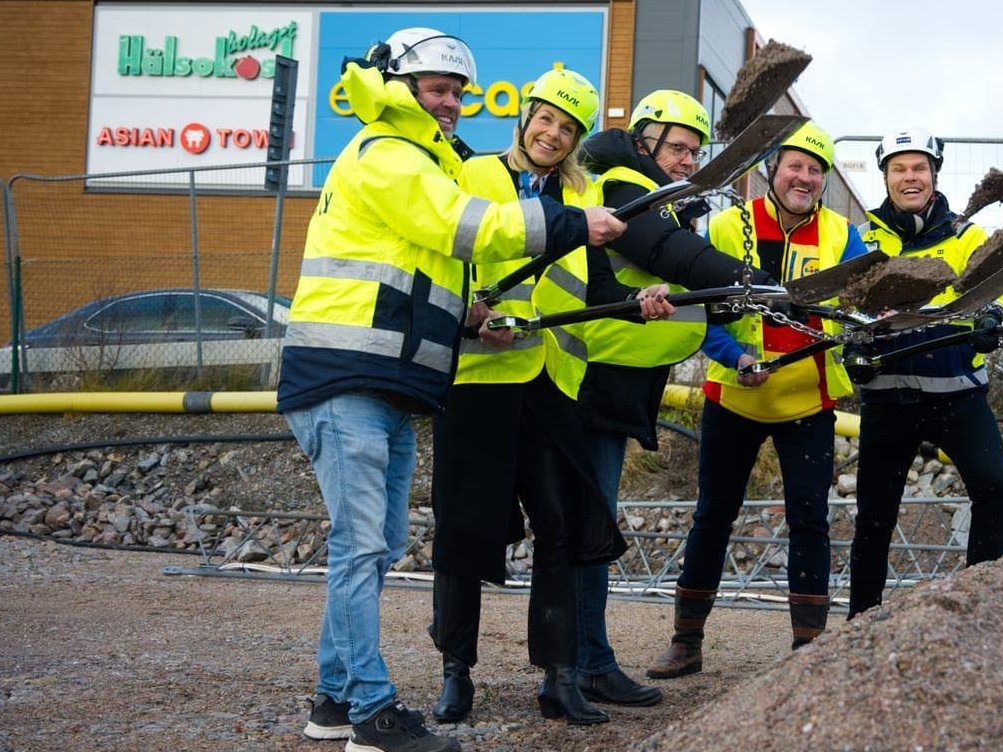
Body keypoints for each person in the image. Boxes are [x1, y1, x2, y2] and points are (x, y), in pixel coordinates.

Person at [278, 29, 622, 752]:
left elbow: (420, 266)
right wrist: (568, 222)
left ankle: (333, 701)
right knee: (363, 546)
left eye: (458, 91)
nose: (451, 103)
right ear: (397, 85)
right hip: (348, 373)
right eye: (437, 87)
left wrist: (466, 316)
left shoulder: (423, 159)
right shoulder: (389, 153)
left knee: (373, 543)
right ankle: (372, 713)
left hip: (391, 381)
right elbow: (464, 227)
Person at [425, 68, 671, 728]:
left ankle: (559, 678)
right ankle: (456, 674)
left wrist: (636, 306)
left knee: (561, 527)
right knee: (464, 530)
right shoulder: (469, 174)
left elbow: (589, 294)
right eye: (545, 120)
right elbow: (432, 262)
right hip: (477, 380)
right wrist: (464, 314)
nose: (551, 134)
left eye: (566, 129)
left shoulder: (583, 199)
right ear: (524, 116)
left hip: (550, 384)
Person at [571, 90, 774, 704]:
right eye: (677, 148)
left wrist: (736, 307)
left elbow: (683, 281)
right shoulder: (623, 187)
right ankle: (587, 663)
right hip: (590, 381)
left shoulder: (660, 196)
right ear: (643, 142)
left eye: (693, 150)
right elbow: (667, 254)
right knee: (589, 527)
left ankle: (578, 660)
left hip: (616, 384)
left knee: (588, 524)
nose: (687, 160)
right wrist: (743, 279)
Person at [647, 122, 867, 679]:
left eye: (816, 170)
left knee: (810, 521)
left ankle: (807, 650)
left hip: (806, 401)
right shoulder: (727, 226)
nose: (806, 177)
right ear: (772, 169)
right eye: (796, 165)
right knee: (712, 516)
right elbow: (703, 310)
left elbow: (864, 301)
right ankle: (686, 641)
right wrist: (735, 356)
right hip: (735, 396)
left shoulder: (843, 236)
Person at [845, 128, 1003, 620]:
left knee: (993, 489)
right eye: (898, 168)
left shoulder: (968, 237)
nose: (909, 177)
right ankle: (860, 622)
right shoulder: (863, 236)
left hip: (957, 393)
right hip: (889, 397)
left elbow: (998, 291)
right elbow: (846, 303)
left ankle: (979, 610)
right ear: (885, 177)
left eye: (918, 167)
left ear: (934, 174)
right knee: (875, 516)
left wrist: (994, 320)